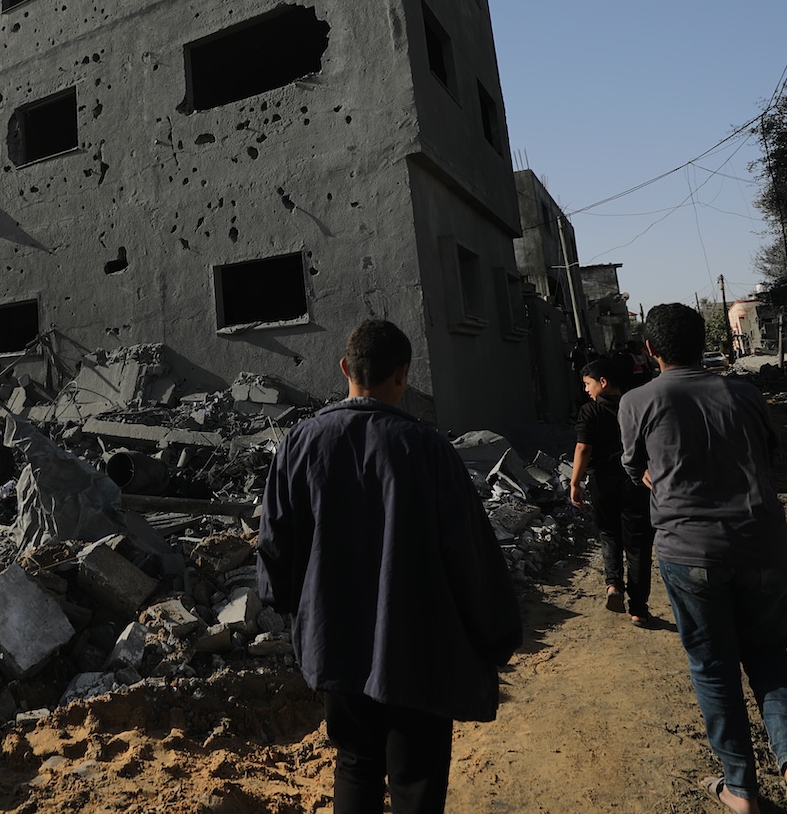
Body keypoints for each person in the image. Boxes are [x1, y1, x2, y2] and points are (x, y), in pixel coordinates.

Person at [257, 320, 523, 814]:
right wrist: (497, 637)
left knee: (355, 765)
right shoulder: (429, 450)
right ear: (403, 374)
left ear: (344, 368)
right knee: (417, 776)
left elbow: (274, 546)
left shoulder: (299, 443)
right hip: (417, 650)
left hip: (335, 644)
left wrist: (302, 616)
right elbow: (470, 558)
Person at [620, 303, 787, 814]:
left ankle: (740, 789)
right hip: (765, 545)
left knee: (714, 666)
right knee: (770, 655)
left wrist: (662, 480)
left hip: (689, 551)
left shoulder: (637, 400)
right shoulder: (745, 393)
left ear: (651, 351)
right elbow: (767, 454)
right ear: (703, 344)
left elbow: (636, 468)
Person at [570, 356, 655, 626]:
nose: (586, 390)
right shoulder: (637, 407)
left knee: (609, 532)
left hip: (603, 481)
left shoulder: (589, 412)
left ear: (603, 382)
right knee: (638, 543)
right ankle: (639, 608)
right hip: (636, 480)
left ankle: (613, 585)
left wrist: (574, 482)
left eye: (588, 383)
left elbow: (584, 448)